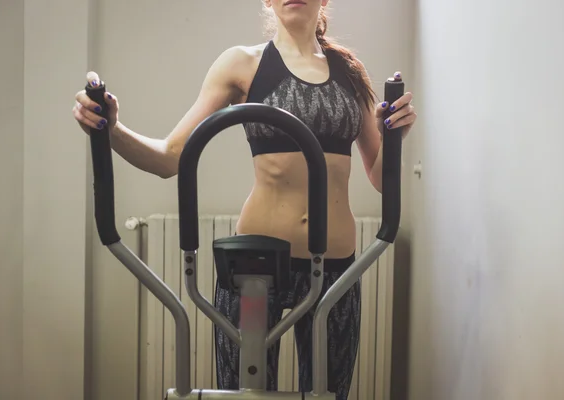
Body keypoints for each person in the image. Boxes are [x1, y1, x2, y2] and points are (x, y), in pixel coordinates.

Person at [72, 0, 417, 398]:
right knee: (246, 392)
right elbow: (170, 158)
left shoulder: (350, 74)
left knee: (329, 393)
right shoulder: (242, 64)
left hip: (335, 268)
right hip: (257, 269)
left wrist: (395, 138)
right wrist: (111, 129)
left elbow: (380, 177)